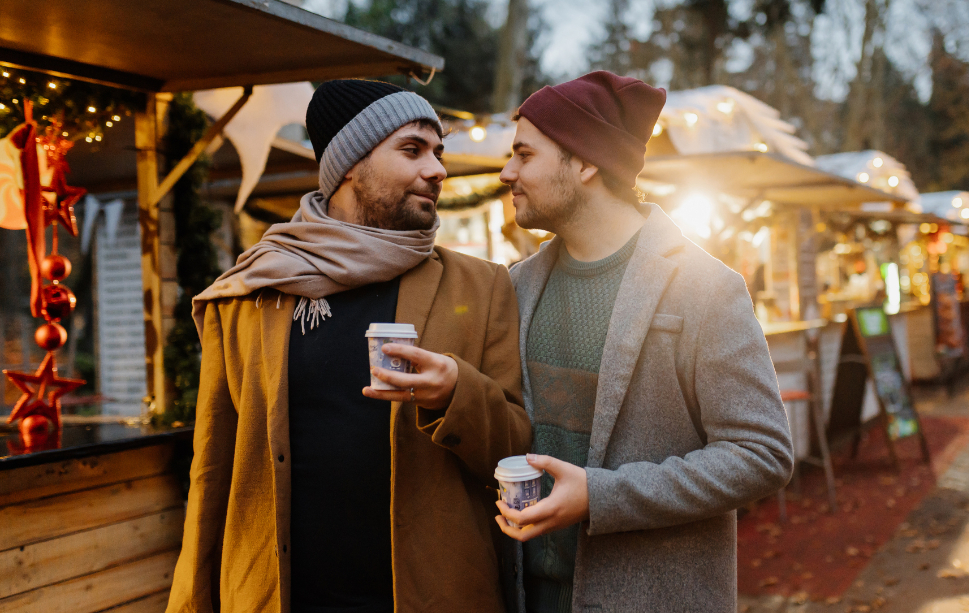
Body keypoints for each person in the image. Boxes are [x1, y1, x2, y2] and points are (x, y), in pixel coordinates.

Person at [167, 80, 531, 613]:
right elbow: (212, 471)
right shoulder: (249, 293)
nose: (436, 169)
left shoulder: (480, 286)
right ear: (350, 165)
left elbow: (515, 448)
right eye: (411, 150)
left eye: (438, 152)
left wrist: (455, 391)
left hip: (434, 595)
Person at [494, 71, 794, 613]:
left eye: (524, 155)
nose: (506, 172)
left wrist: (601, 496)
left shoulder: (707, 287)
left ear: (585, 162)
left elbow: (762, 454)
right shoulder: (517, 285)